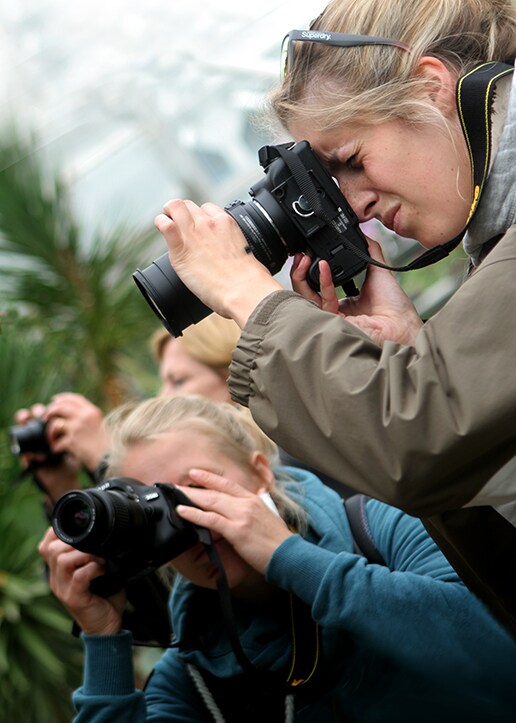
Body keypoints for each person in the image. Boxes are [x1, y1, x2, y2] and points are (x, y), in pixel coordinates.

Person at [153, 0, 516, 634]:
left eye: (351, 159)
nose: (357, 207)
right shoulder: (496, 244)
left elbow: (418, 445)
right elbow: (460, 466)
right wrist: (411, 357)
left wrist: (246, 293)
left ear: (431, 88)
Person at [39, 394, 516, 722]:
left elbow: (499, 653)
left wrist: (288, 556)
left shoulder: (380, 529)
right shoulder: (196, 672)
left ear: (261, 473)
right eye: (158, 512)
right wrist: (103, 640)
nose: (190, 517)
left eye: (198, 487)